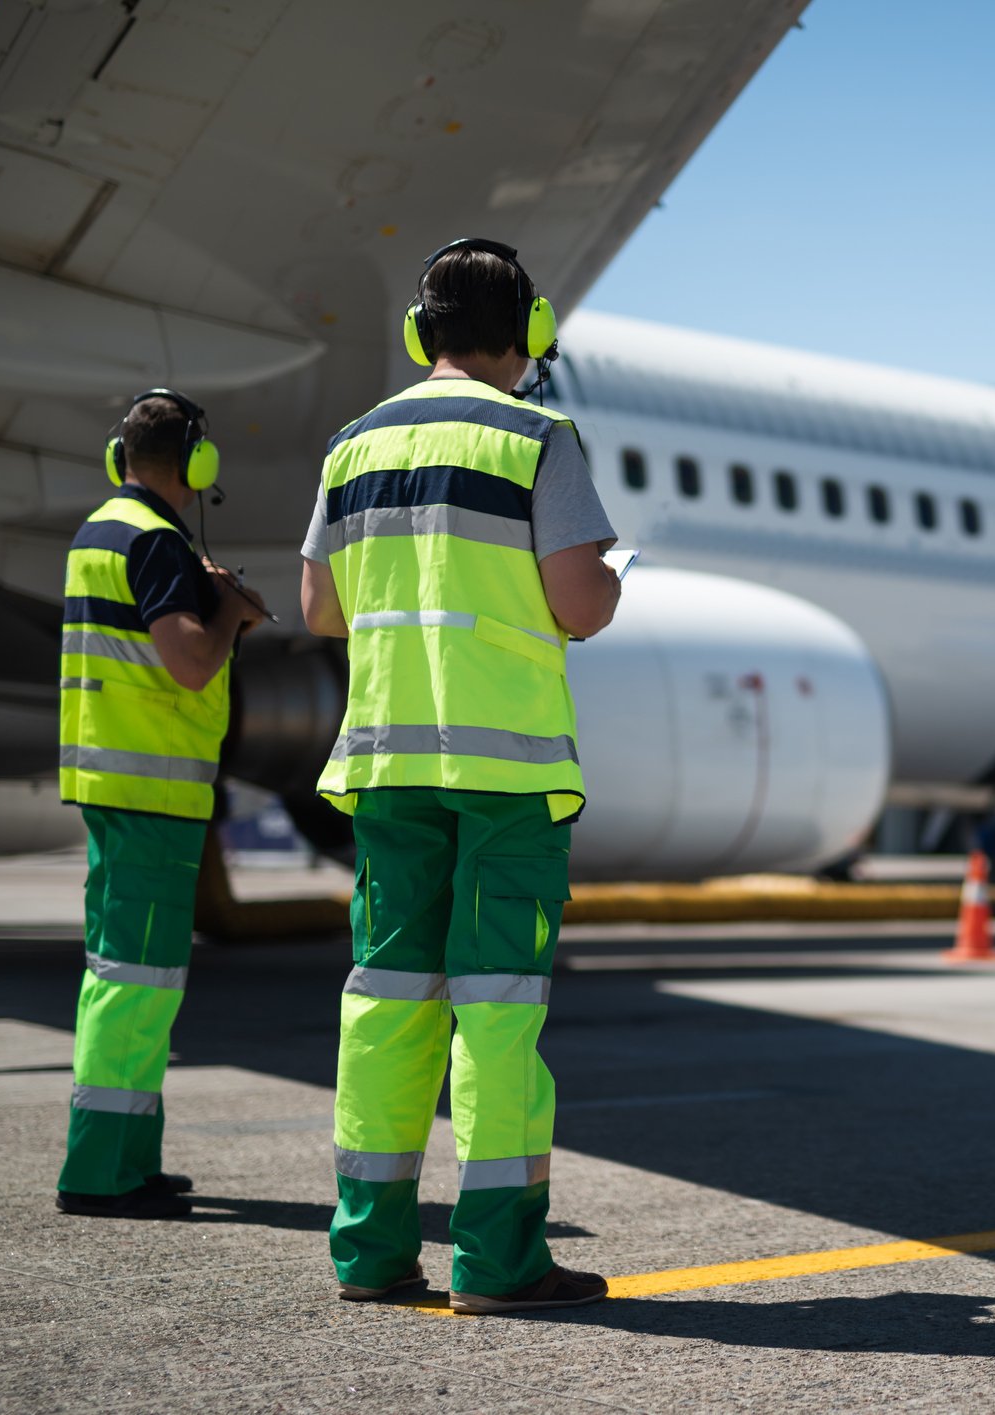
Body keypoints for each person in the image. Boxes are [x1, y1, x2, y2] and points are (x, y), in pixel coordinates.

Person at [300, 237, 623, 1314]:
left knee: (386, 1004)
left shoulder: (351, 446)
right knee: (496, 1013)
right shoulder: (539, 436)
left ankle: (370, 1251)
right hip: (506, 771)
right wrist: (608, 583)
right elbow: (579, 604)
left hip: (389, 763)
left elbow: (320, 612)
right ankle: (497, 1259)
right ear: (527, 335)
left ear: (418, 334)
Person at [55, 389, 266, 1219]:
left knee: (130, 977)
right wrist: (231, 613)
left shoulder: (100, 530)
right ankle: (101, 1172)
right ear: (197, 466)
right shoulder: (157, 543)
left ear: (122, 458)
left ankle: (131, 1157)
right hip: (153, 790)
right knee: (136, 983)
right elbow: (186, 662)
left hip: (114, 782)